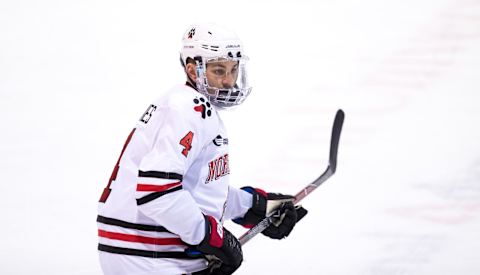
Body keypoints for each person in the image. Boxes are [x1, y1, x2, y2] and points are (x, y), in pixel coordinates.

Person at [97, 22, 307, 275]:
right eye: (219, 70)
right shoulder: (187, 109)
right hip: (149, 256)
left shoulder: (188, 105)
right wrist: (211, 236)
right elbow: (157, 193)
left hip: (146, 251)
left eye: (233, 69)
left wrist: (251, 206)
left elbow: (191, 191)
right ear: (193, 70)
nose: (229, 81)